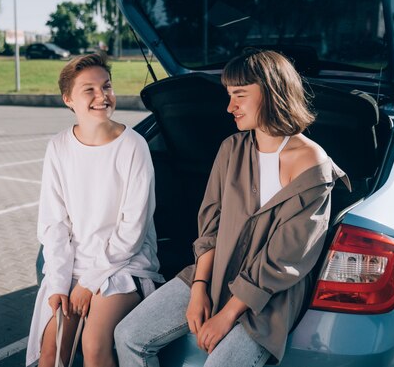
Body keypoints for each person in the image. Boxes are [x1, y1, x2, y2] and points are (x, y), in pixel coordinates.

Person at [114, 49, 350, 367]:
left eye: (239, 94)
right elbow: (211, 228)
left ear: (272, 92)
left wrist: (225, 316)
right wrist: (199, 288)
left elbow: (284, 259)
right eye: (229, 95)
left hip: (269, 297)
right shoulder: (231, 149)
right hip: (214, 272)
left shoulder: (313, 165)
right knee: (128, 335)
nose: (230, 106)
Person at [26, 53, 164, 367]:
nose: (102, 96)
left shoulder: (134, 145)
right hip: (72, 266)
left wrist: (89, 283)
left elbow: (133, 230)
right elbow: (54, 224)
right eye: (89, 89)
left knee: (94, 345)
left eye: (107, 86)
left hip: (122, 266)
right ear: (68, 99)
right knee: (51, 352)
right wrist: (61, 283)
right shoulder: (59, 146)